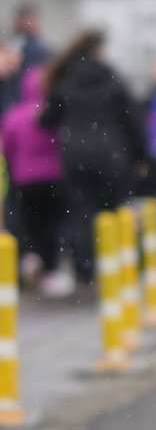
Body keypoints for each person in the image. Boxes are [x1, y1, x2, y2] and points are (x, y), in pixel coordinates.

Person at [39, 30, 145, 285]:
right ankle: (115, 266)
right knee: (113, 210)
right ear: (97, 49)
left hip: (75, 154)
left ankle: (85, 270)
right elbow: (131, 118)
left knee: (81, 212)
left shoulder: (65, 78)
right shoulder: (110, 77)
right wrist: (141, 155)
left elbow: (48, 117)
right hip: (110, 153)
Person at [0, 65, 70, 294]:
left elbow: (7, 148)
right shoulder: (53, 115)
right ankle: (49, 270)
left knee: (24, 223)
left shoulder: (14, 115)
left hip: (24, 179)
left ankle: (28, 258)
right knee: (50, 226)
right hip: (53, 177)